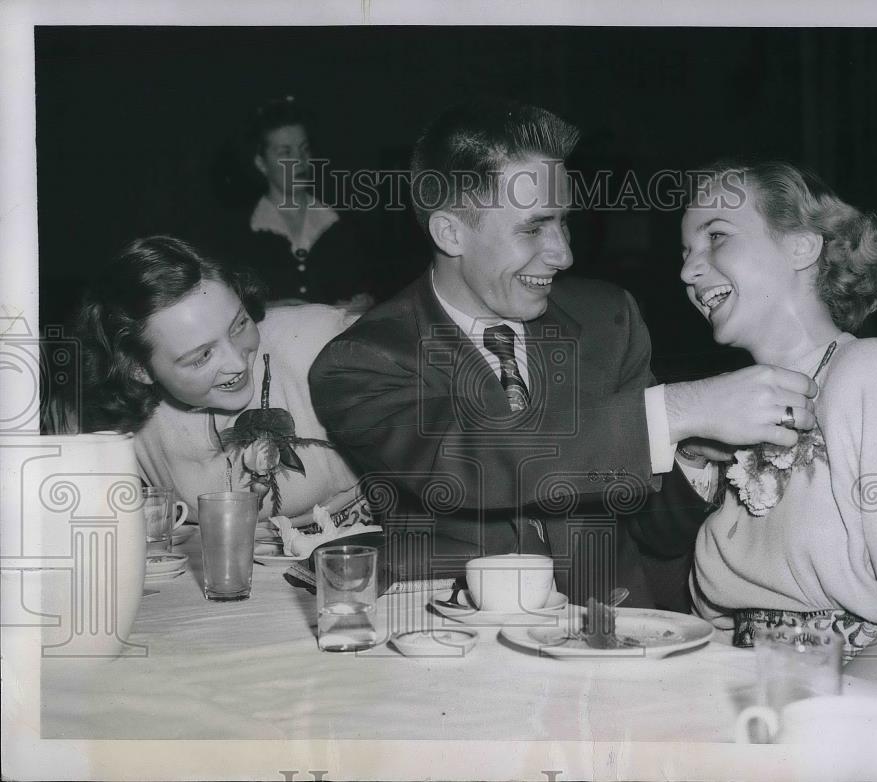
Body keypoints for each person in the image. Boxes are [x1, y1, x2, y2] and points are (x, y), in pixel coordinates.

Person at [307, 100, 820, 607]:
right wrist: (678, 409)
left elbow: (657, 533)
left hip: (614, 646)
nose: (563, 253)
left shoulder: (608, 320)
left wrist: (683, 455)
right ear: (450, 232)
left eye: (563, 223)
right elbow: (470, 459)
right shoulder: (361, 360)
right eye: (533, 227)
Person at [680, 161, 877, 691]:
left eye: (715, 236)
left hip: (858, 717)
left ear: (802, 247)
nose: (689, 270)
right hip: (745, 702)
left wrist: (816, 726)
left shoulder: (874, 373)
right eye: (686, 252)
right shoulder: (734, 411)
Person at [76, 235, 375, 529]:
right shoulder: (116, 426)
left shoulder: (326, 346)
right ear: (139, 369)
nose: (236, 363)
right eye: (202, 356)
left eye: (239, 325)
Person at [209, 97, 375, 308]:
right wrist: (269, 309)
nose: (300, 160)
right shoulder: (238, 234)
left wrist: (366, 303)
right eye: (285, 152)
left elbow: (373, 291)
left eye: (304, 149)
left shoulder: (343, 222)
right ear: (261, 163)